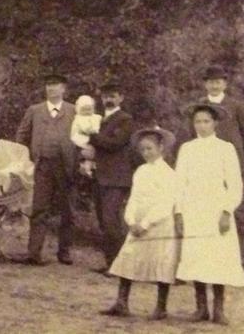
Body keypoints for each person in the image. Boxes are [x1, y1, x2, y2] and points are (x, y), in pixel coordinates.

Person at [175, 103, 244, 325]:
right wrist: (178, 212)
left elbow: (235, 184)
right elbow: (179, 183)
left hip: (216, 207)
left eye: (206, 121)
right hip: (193, 208)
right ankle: (200, 308)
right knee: (196, 254)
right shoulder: (187, 148)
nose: (202, 126)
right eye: (198, 121)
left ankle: (219, 308)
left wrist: (227, 211)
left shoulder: (225, 148)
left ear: (215, 123)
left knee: (217, 256)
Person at [102, 126, 180, 320]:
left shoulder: (169, 174)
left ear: (161, 148)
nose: (146, 153)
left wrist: (145, 223)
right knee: (128, 257)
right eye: (143, 149)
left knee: (161, 262)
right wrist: (131, 220)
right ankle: (122, 302)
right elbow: (134, 197)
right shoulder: (141, 171)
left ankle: (161, 307)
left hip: (158, 223)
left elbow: (165, 203)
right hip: (137, 223)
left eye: (150, 149)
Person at [182, 64, 244, 254]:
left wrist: (240, 155)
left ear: (225, 84)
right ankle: (207, 253)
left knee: (233, 207)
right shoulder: (199, 106)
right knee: (203, 208)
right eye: (210, 82)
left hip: (229, 163)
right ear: (205, 85)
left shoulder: (236, 106)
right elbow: (192, 133)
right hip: (204, 164)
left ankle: (242, 256)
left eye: (218, 82)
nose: (214, 86)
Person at [14, 73, 78, 265]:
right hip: (43, 166)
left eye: (56, 85)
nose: (51, 89)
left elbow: (85, 137)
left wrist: (80, 160)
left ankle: (64, 252)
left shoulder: (74, 111)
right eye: (48, 85)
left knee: (68, 210)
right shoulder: (35, 110)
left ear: (64, 89)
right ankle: (34, 252)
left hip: (67, 166)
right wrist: (28, 159)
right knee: (40, 208)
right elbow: (22, 135)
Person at [89, 81, 136, 271]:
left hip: (117, 178)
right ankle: (111, 263)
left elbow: (115, 143)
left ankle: (120, 264)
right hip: (100, 176)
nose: (109, 99)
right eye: (106, 96)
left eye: (113, 96)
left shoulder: (125, 119)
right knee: (103, 220)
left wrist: (93, 137)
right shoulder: (97, 120)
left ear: (121, 98)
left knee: (111, 221)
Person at [70, 94, 102, 179]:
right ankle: (86, 169)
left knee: (93, 153)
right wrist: (91, 130)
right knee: (85, 154)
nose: (87, 111)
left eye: (89, 109)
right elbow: (84, 129)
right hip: (81, 139)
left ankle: (92, 168)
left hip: (93, 140)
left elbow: (98, 128)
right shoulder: (79, 119)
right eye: (84, 109)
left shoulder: (96, 117)